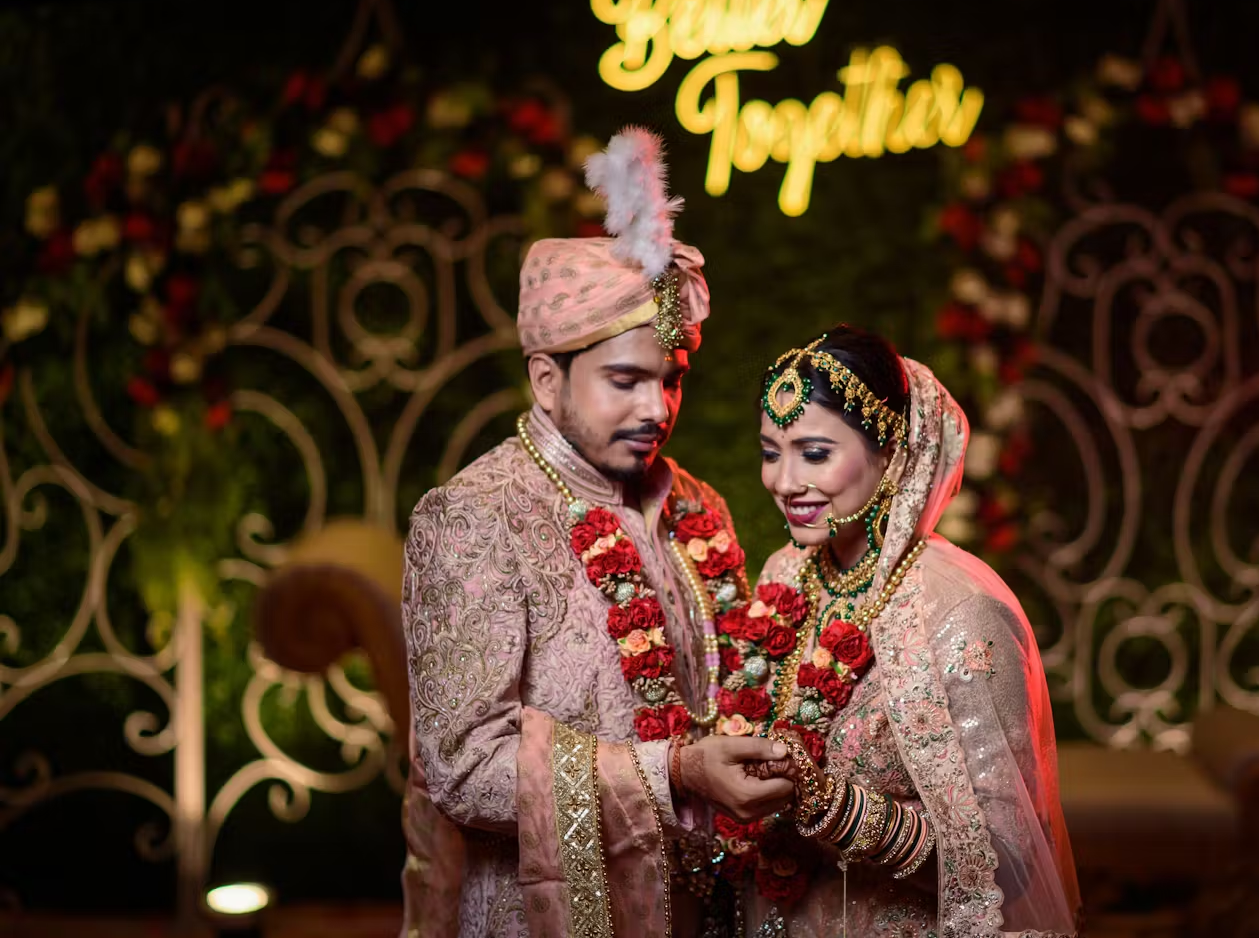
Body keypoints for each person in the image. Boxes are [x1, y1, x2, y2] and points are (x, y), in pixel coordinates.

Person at [400, 128, 795, 938]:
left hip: (710, 907)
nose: (656, 408)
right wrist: (677, 772)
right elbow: (461, 765)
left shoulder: (699, 506)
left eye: (672, 377)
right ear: (548, 379)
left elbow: (741, 680)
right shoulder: (475, 516)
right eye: (625, 379)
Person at [712, 325, 1080, 937]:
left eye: (815, 453)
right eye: (771, 452)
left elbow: (1008, 856)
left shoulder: (960, 610)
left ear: (888, 453)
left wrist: (832, 807)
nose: (782, 482)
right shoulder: (786, 574)